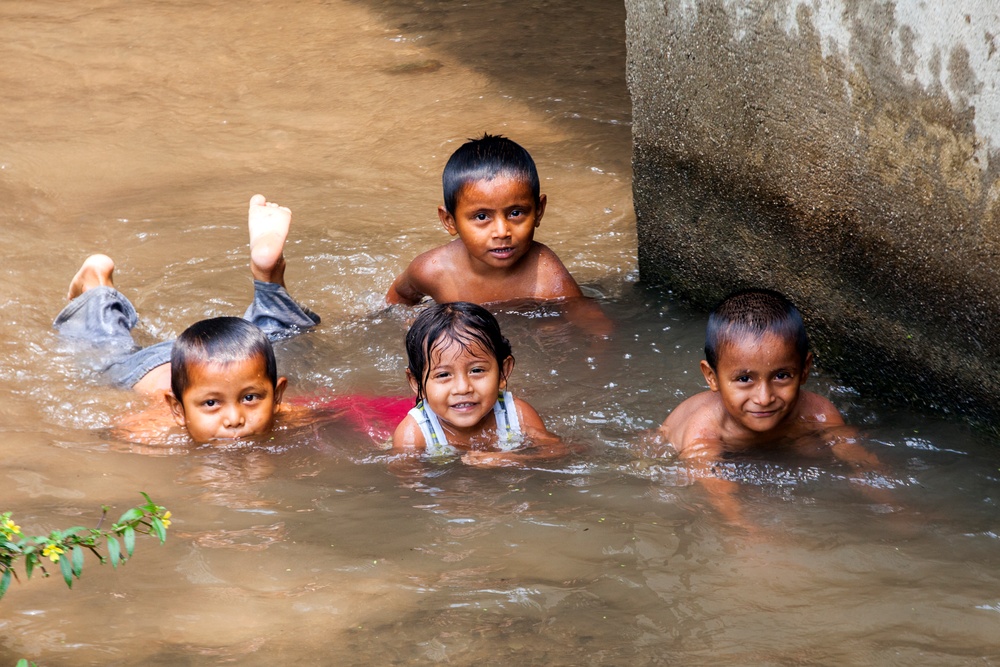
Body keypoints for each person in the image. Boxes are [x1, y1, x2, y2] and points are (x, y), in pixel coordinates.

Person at [54, 195, 358, 444]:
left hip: (216, 360)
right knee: (103, 350)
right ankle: (96, 285)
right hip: (148, 368)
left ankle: (268, 276)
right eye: (211, 404)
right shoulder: (150, 431)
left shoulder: (287, 415)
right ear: (177, 410)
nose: (234, 419)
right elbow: (107, 436)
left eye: (250, 398)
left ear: (278, 396)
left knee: (278, 339)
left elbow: (342, 416)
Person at [657, 288, 875, 465]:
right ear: (711, 377)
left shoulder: (818, 414)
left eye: (781, 376)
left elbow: (863, 464)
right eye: (744, 379)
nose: (764, 398)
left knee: (811, 450)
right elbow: (718, 497)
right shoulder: (705, 429)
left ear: (805, 369)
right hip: (676, 449)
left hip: (778, 444)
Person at [392, 302, 569, 466]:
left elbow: (557, 451)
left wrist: (509, 459)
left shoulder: (517, 415)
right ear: (416, 383)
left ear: (502, 372)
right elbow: (409, 482)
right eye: (444, 374)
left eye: (477, 371)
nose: (463, 388)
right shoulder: (414, 434)